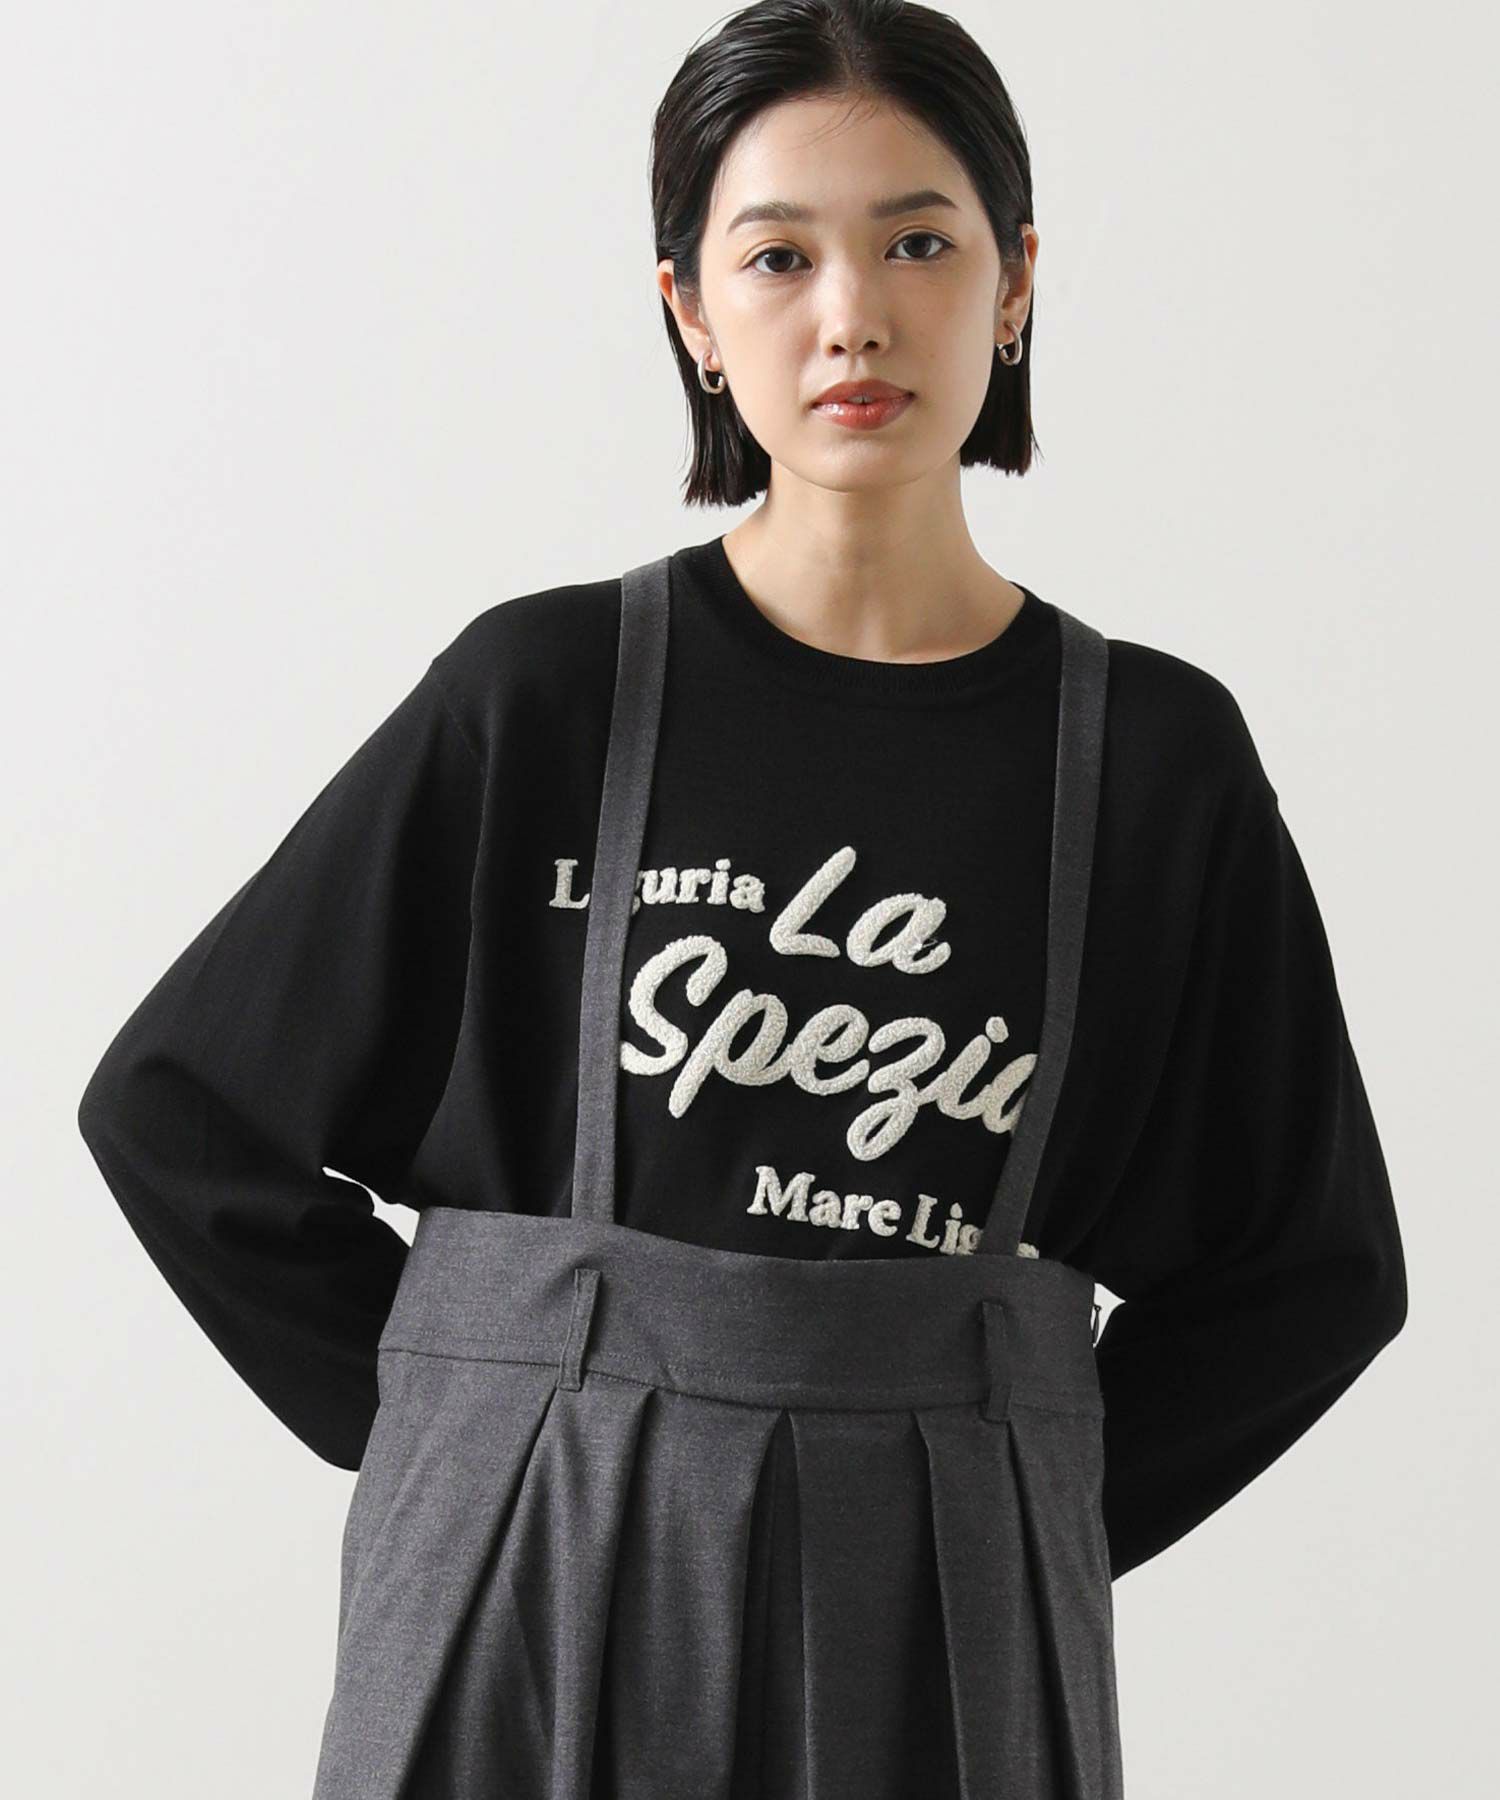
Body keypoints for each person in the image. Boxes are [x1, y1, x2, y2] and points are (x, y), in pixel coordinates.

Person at [76, 2, 1407, 1793]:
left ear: (1015, 280)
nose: (852, 314)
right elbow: (178, 1112)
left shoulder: (1158, 759)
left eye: (918, 243)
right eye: (778, 256)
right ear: (691, 311)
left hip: (945, 1585)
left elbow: (1316, 1269)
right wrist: (460, 1434)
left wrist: (1025, 1493)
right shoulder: (539, 694)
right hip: (528, 1566)